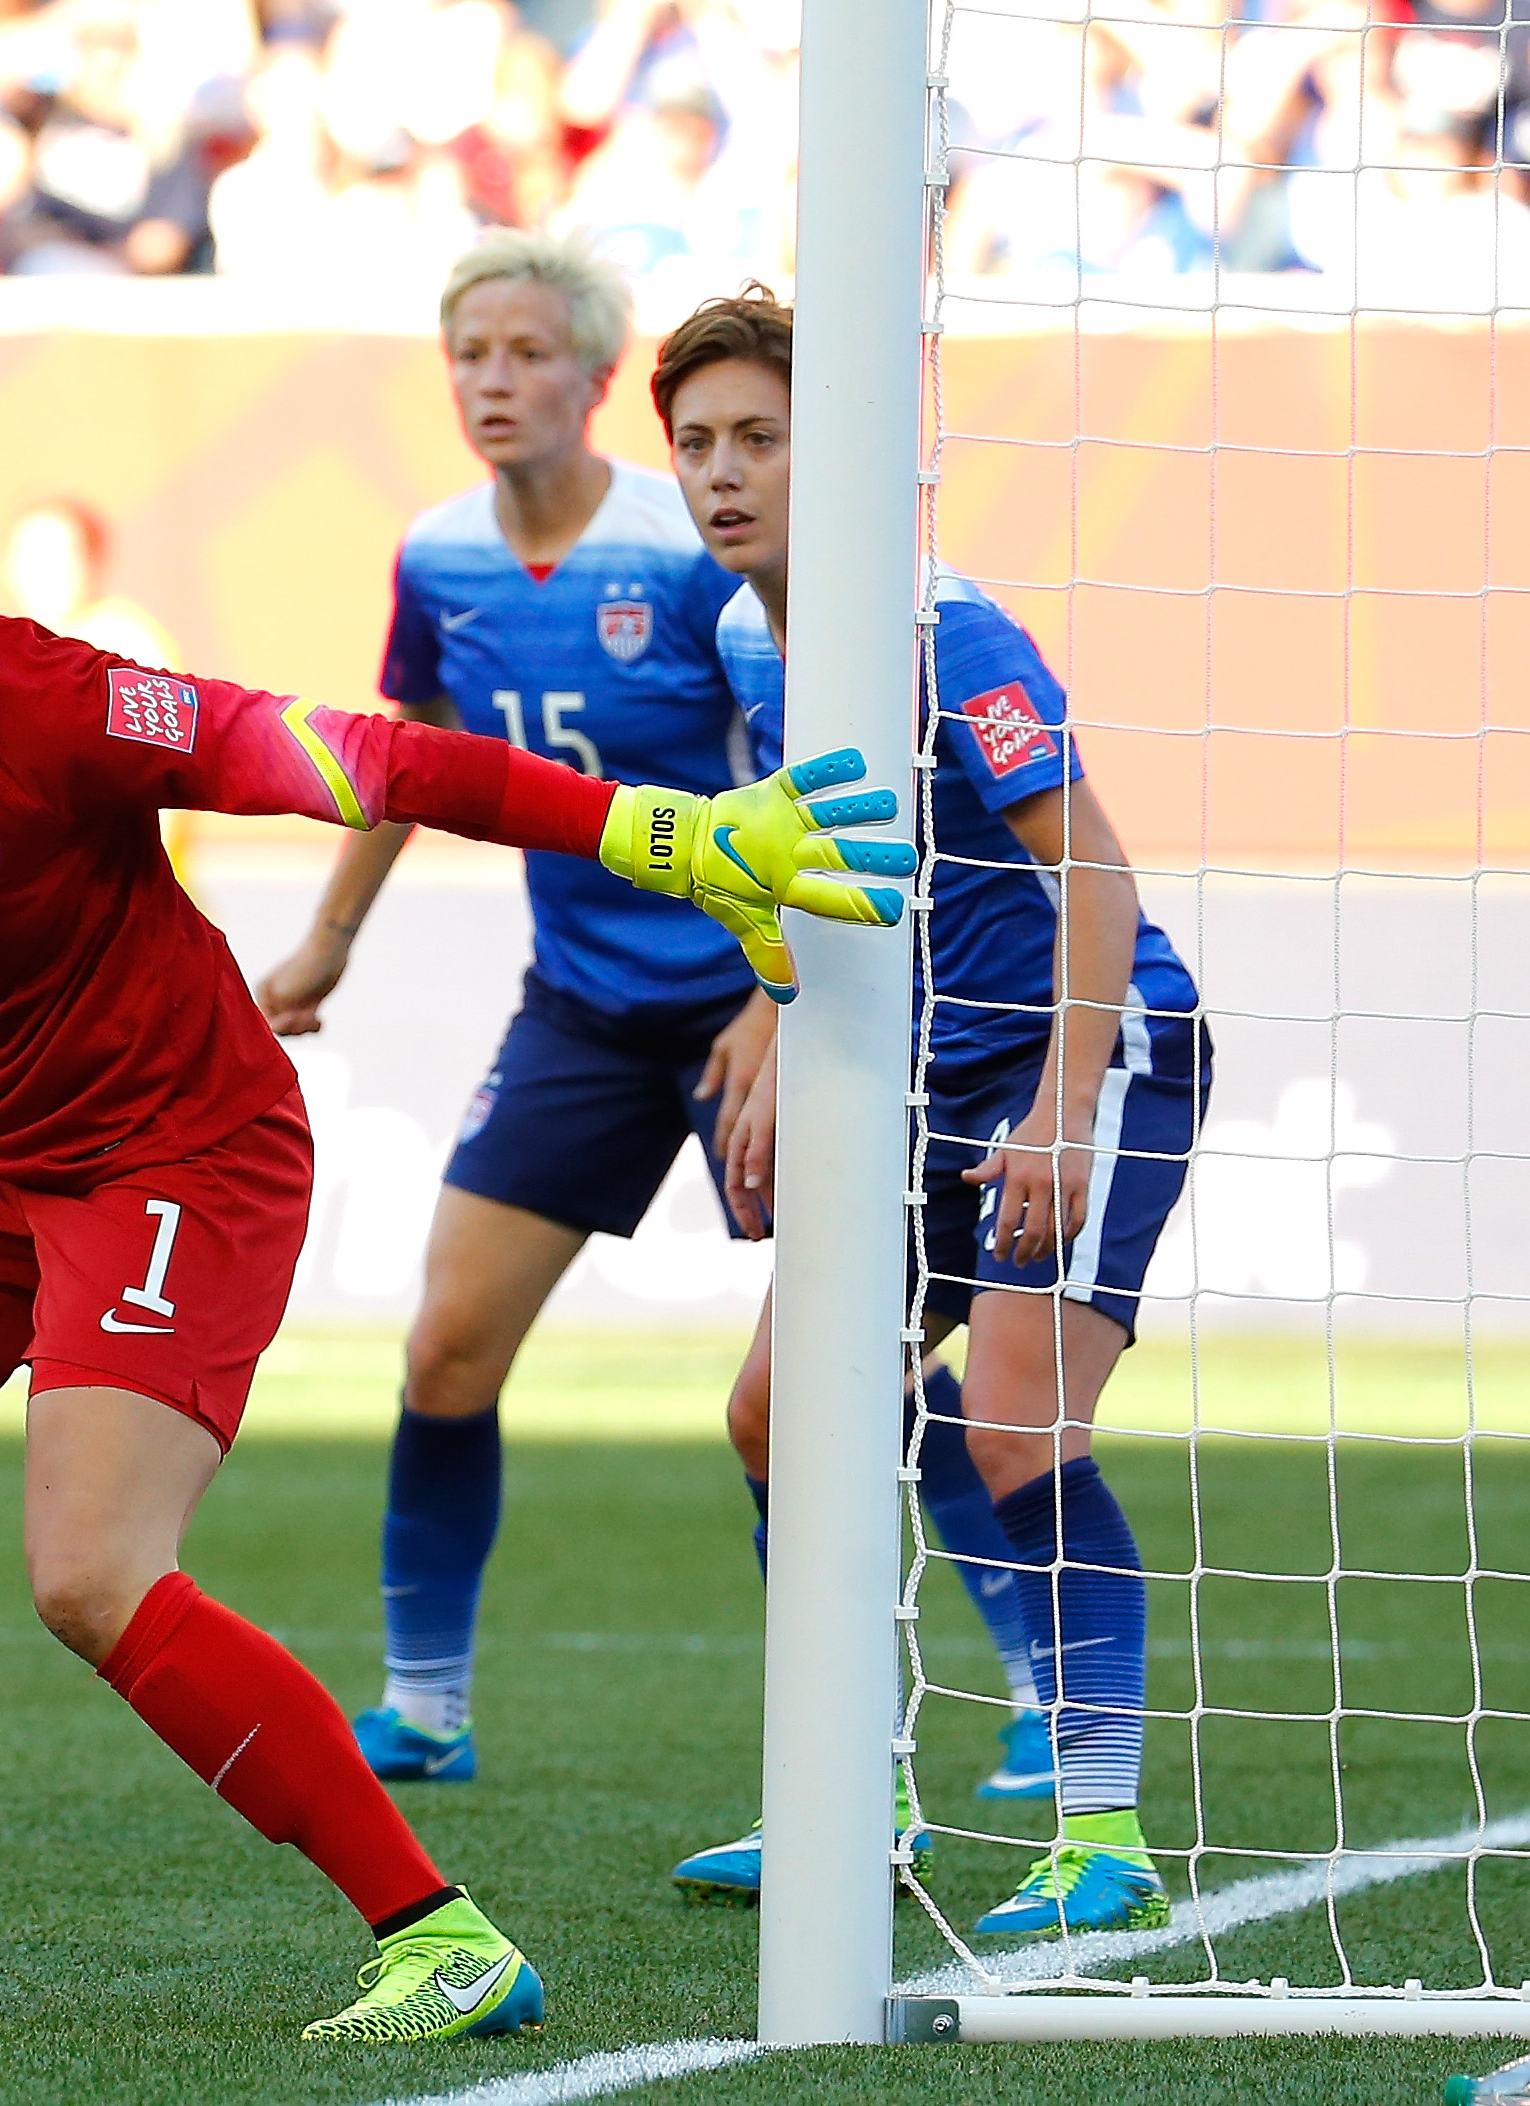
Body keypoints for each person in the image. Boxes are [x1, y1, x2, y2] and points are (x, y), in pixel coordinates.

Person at [0, 384, 909, 2035]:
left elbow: (359, 757)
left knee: (91, 1575)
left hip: (182, 1158)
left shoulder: (47, 696)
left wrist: (668, 830)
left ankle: (440, 1936)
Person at [654, 290, 1207, 1938]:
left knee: (1015, 1421)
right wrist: (766, 1005)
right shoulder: (750, 630)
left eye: (761, 437)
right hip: (923, 1062)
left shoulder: (946, 633)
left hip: (1093, 1041)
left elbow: (1093, 878)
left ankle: (1101, 1834)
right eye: (696, 444)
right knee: (779, 1414)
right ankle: (851, 1801)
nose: (723, 474)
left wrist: (1056, 1103)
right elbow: (821, 845)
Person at [254, 228, 767, 1788]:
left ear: (601, 379)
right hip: (586, 1006)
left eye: (530, 351)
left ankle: (996, 1705)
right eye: (472, 351)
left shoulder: (696, 551)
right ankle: (426, 1704)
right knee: (446, 1351)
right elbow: (406, 746)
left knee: (838, 1375)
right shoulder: (441, 554)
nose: (495, 378)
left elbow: (805, 762)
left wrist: (774, 990)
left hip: (759, 1006)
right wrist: (329, 935)